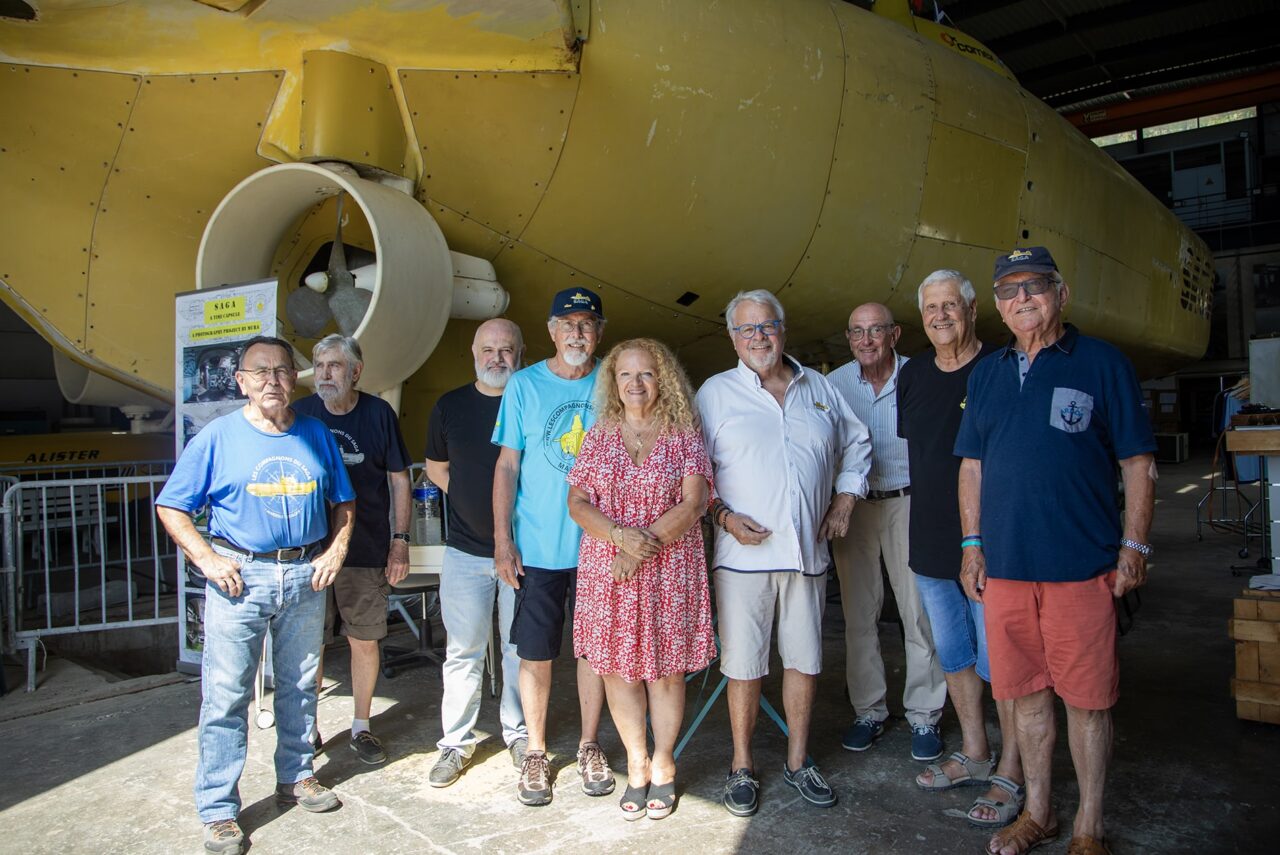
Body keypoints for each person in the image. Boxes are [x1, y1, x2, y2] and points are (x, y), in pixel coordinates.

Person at [955, 247, 1156, 855]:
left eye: (1035, 286)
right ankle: (1037, 814)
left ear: (1061, 293)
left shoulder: (1102, 363)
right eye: (1010, 290)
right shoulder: (987, 374)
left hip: (1081, 570)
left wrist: (1135, 544)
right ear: (996, 306)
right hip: (1007, 571)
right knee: (1026, 700)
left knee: (1088, 704)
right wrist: (971, 544)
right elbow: (972, 466)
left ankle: (1088, 828)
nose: (1023, 299)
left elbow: (1139, 463)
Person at [156, 336, 356, 855]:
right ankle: (220, 809)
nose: (272, 379)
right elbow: (173, 507)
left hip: (304, 575)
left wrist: (334, 553)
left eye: (282, 370)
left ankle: (296, 777)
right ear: (241, 382)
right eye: (260, 371)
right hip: (240, 579)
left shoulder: (315, 433)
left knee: (298, 686)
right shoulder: (217, 437)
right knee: (225, 695)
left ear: (296, 378)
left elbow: (344, 501)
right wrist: (207, 559)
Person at [696, 289, 871, 818]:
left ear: (783, 330)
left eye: (767, 326)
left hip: (808, 555)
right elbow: (691, 472)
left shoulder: (818, 388)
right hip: (743, 560)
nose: (759, 337)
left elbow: (858, 443)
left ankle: (798, 761)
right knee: (745, 666)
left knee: (804, 661)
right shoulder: (715, 393)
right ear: (732, 338)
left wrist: (844, 501)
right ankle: (742, 767)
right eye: (747, 329)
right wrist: (723, 516)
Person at [567, 338, 717, 821]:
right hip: (607, 571)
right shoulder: (600, 435)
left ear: (663, 380)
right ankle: (636, 763)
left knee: (666, 673)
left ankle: (666, 763)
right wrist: (618, 537)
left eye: (647, 374)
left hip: (668, 570)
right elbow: (577, 502)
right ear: (613, 382)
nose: (636, 383)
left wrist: (640, 547)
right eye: (626, 374)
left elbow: (694, 502)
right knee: (619, 671)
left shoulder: (683, 434)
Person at [897, 271, 1023, 828]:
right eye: (931, 308)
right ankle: (975, 752)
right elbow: (921, 455)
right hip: (929, 540)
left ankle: (1013, 769)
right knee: (955, 654)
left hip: (989, 543)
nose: (940, 315)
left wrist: (990, 540)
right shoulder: (915, 373)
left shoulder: (1001, 368)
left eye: (951, 305)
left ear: (973, 310)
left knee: (1005, 664)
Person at [492, 287, 615, 806]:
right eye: (568, 324)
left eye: (587, 324)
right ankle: (537, 753)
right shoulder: (523, 384)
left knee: (594, 654)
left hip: (599, 547)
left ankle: (589, 745)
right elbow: (507, 465)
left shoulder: (614, 380)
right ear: (550, 330)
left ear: (599, 332)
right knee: (536, 654)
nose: (577, 333)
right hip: (539, 548)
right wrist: (503, 539)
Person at [828, 302, 947, 762]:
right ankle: (869, 711)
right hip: (854, 508)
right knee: (859, 615)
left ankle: (923, 715)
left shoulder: (922, 374)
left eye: (875, 330)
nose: (866, 340)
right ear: (848, 337)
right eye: (857, 331)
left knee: (917, 612)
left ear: (894, 334)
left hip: (910, 502)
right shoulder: (834, 384)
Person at [293, 334, 411, 765]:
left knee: (364, 639)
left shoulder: (379, 414)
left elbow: (400, 478)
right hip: (307, 554)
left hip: (364, 550)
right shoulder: (300, 414)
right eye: (320, 365)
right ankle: (306, 730)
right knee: (310, 644)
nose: (325, 374)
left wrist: (400, 541)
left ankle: (361, 726)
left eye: (335, 366)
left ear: (356, 371)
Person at [425, 318, 529, 787]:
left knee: (516, 648)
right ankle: (455, 743)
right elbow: (435, 468)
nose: (497, 358)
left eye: (506, 350)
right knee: (463, 651)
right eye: (489, 350)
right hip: (465, 552)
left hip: (524, 551)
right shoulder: (450, 406)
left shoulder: (529, 400)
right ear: (474, 352)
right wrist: (473, 507)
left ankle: (519, 734)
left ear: (520, 353)